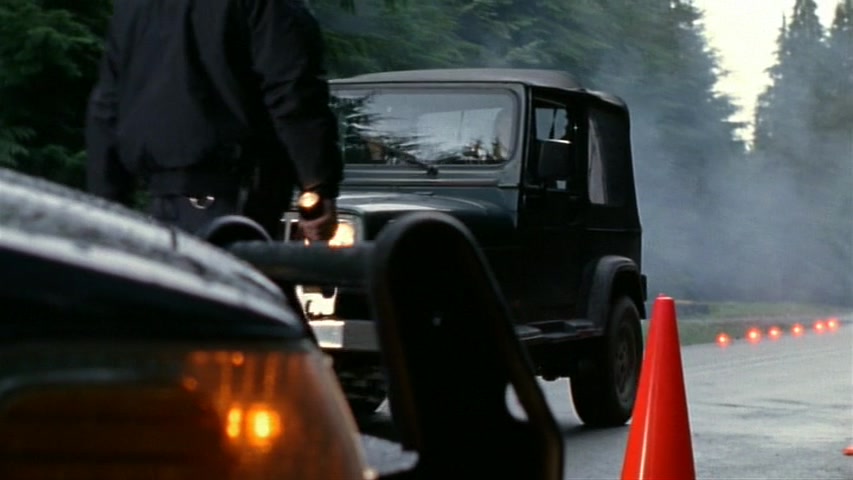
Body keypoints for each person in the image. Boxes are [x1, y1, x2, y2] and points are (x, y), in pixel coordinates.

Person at [85, 0, 341, 241]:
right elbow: (292, 90)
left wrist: (107, 205)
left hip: (158, 200)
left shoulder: (133, 6)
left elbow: (107, 105)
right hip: (234, 194)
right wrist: (318, 185)